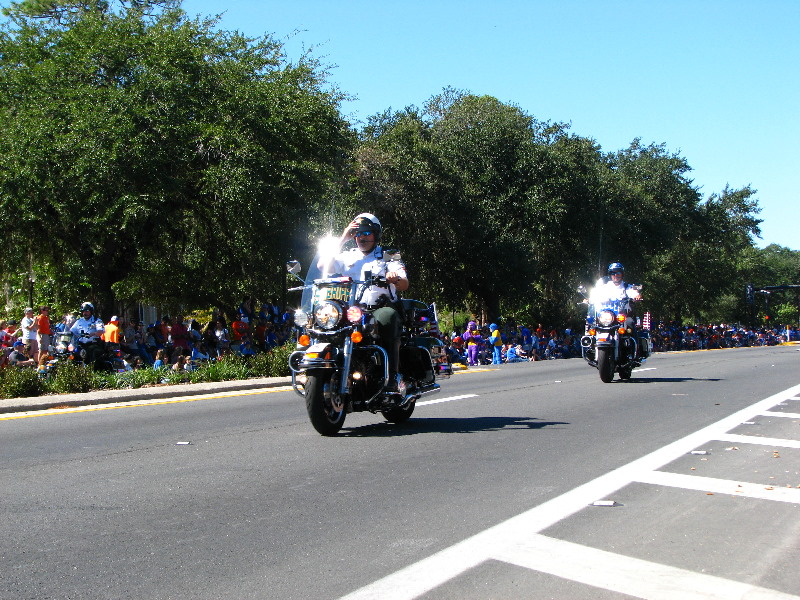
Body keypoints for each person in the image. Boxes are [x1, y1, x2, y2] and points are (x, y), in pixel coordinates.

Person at [329, 212, 409, 393]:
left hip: (380, 307)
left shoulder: (389, 254)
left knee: (387, 318)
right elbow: (322, 267)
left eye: (366, 233)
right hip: (353, 310)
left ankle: (392, 377)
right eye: (357, 234)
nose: (361, 238)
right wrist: (343, 237)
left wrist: (394, 277)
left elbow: (404, 284)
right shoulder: (347, 255)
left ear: (376, 234)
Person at [589, 262, 648, 358]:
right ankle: (590, 348)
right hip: (606, 317)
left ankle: (636, 353)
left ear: (622, 274)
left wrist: (636, 295)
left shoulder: (626, 287)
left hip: (621, 317)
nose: (615, 275)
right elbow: (595, 294)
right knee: (592, 326)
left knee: (630, 323)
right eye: (613, 273)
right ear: (610, 275)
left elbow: (633, 292)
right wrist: (589, 299)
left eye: (618, 273)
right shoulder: (604, 287)